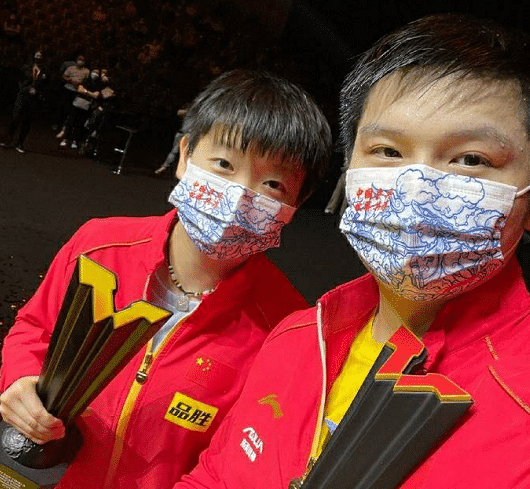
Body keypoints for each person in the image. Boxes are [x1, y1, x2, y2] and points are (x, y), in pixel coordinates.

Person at [175, 14, 530, 489]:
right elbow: (213, 477)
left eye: (471, 159)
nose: (416, 188)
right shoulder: (297, 337)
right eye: (387, 151)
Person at [0, 69, 331, 489]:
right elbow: (34, 327)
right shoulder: (99, 245)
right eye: (224, 164)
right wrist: (20, 378)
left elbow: (234, 463)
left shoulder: (285, 328)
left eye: (272, 184)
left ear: (298, 201)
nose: (239, 196)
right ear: (186, 153)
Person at [0, 51, 47, 153]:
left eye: (40, 56)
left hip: (34, 98)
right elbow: (19, 80)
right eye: (37, 55)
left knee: (27, 121)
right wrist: (25, 88)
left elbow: (45, 85)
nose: (38, 58)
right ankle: (8, 140)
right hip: (23, 95)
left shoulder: (44, 71)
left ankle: (20, 143)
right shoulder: (26, 67)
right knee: (15, 118)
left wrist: (38, 92)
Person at [155, 107, 189, 175]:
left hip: (188, 134)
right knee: (175, 151)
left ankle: (185, 170)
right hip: (183, 133)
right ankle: (165, 166)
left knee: (187, 153)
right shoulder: (191, 112)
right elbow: (179, 112)